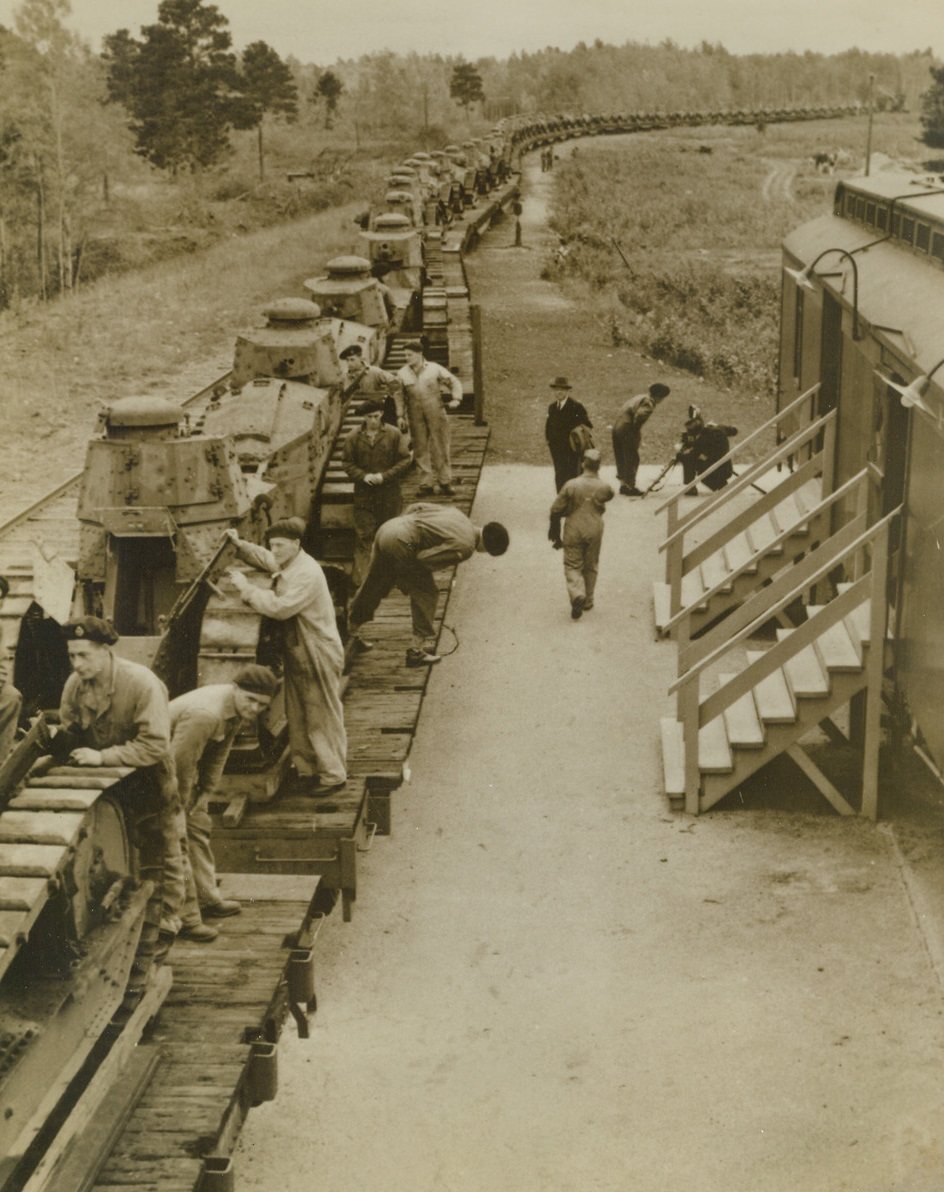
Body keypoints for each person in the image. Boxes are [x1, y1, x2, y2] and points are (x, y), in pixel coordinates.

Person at [55, 616, 182, 941]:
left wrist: (102, 757)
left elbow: (154, 744)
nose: (76, 663)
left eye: (83, 655)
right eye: (72, 656)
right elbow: (70, 729)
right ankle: (123, 922)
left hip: (147, 781)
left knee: (155, 856)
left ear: (105, 651)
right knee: (114, 859)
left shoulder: (142, 683)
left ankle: (162, 927)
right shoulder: (75, 684)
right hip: (107, 786)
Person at [225, 519, 347, 796]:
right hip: (299, 651)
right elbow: (265, 557)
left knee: (321, 715)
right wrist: (238, 545)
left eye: (280, 545)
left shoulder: (308, 573)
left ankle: (333, 775)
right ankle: (307, 770)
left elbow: (280, 608)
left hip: (317, 651)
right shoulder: (288, 561)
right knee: (298, 713)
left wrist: (247, 589)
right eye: (273, 545)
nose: (275, 550)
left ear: (296, 544)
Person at [168, 665, 279, 942]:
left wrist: (205, 791)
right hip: (156, 777)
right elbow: (178, 764)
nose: (255, 708)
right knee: (176, 843)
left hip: (182, 775)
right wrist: (179, 806)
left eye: (262, 705)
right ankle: (188, 919)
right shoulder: (206, 714)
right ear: (236, 690)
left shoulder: (235, 709)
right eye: (250, 700)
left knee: (199, 829)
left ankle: (208, 898)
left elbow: (220, 751)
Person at [349, 503, 509, 667]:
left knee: (374, 583)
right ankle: (416, 651)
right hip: (404, 543)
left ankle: (351, 628)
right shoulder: (467, 546)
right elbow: (424, 559)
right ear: (487, 547)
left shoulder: (459, 516)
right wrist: (404, 572)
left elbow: (416, 507)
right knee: (427, 593)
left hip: (389, 528)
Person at [341, 399, 413, 587]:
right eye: (369, 417)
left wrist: (385, 476)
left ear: (381, 414)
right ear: (363, 417)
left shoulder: (394, 434)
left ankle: (395, 578)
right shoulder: (353, 437)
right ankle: (364, 583)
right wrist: (363, 476)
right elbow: (347, 464)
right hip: (364, 494)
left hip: (389, 493)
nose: (373, 420)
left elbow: (405, 460)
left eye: (376, 416)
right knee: (364, 536)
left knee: (392, 535)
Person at [549, 448, 614, 619]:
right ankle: (588, 600)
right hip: (594, 527)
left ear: (583, 463)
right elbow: (610, 494)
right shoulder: (604, 487)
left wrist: (555, 531)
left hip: (573, 528)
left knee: (572, 564)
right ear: (598, 466)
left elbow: (556, 509)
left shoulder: (571, 485)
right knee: (591, 564)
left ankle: (577, 594)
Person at [397, 340, 463, 496]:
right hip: (414, 414)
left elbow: (453, 381)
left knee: (440, 446)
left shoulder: (434, 369)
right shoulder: (402, 373)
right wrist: (400, 416)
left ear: (420, 354)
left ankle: (445, 482)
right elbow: (398, 396)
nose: (407, 358)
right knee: (420, 449)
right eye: (405, 355)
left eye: (410, 355)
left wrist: (456, 398)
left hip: (436, 411)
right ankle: (425, 484)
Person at [612, 382, 671, 496]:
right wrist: (635, 429)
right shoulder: (649, 403)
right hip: (628, 429)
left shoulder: (639, 397)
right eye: (663, 398)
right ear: (659, 396)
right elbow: (640, 415)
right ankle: (630, 486)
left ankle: (623, 484)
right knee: (632, 457)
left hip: (617, 427)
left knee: (621, 456)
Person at [545, 376, 593, 492]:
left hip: (571, 451)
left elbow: (587, 426)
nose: (559, 392)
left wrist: (577, 437)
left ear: (567, 391)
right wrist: (549, 440)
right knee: (559, 475)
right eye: (557, 389)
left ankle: (572, 505)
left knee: (572, 476)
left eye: (562, 389)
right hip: (556, 449)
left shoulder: (576, 406)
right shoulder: (552, 408)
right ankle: (561, 502)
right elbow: (549, 426)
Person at [339, 344, 403, 430]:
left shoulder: (374, 371)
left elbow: (395, 383)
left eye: (352, 360)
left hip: (373, 413)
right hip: (353, 414)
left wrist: (385, 397)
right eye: (347, 360)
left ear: (360, 358)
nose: (349, 363)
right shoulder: (343, 376)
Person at [677, 406, 738, 492]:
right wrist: (717, 426)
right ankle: (721, 485)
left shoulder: (702, 441)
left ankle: (690, 488)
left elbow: (693, 455)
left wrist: (682, 450)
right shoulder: (719, 429)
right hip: (726, 468)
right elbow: (734, 431)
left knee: (685, 458)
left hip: (715, 471)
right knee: (695, 459)